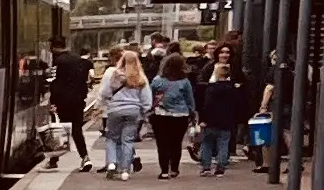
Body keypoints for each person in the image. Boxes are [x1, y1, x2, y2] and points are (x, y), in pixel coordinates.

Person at [96, 46, 152, 179]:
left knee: (112, 138)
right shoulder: (140, 76)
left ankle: (111, 163)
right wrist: (144, 110)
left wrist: (105, 102)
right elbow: (146, 98)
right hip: (133, 111)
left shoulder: (114, 74)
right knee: (127, 140)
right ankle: (125, 170)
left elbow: (104, 92)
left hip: (115, 110)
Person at [195, 45, 250, 173]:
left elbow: (243, 86)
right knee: (220, 140)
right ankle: (220, 165)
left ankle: (208, 165)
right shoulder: (209, 67)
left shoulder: (235, 69)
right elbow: (200, 84)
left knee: (212, 140)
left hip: (219, 113)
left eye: (227, 52)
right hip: (221, 112)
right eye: (222, 52)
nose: (225, 55)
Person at [150, 46, 198, 180]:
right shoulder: (185, 81)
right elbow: (190, 99)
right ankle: (174, 169)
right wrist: (192, 113)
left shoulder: (158, 80)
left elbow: (151, 95)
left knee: (162, 143)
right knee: (176, 143)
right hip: (180, 116)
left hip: (161, 115)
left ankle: (164, 170)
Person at [53, 38, 95, 166]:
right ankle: (85, 157)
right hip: (78, 100)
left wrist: (53, 101)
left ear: (54, 47)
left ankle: (53, 160)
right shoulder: (78, 59)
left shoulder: (59, 61)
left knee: (62, 130)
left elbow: (56, 83)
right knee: (77, 130)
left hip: (64, 102)